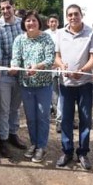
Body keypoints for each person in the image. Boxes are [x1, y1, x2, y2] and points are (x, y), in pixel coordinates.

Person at [53, 4, 93, 170]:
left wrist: (83, 70)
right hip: (65, 84)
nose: (73, 17)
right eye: (70, 15)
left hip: (85, 83)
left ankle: (83, 152)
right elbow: (57, 57)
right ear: (67, 17)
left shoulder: (91, 33)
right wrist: (62, 66)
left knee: (85, 119)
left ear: (81, 15)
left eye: (76, 14)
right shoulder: (60, 33)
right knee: (66, 119)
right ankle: (67, 151)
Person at [10, 10, 55, 164]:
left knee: (43, 117)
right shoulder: (19, 40)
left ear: (38, 22)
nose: (31, 23)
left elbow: (50, 59)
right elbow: (15, 58)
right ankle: (34, 143)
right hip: (26, 85)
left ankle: (42, 146)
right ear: (24, 23)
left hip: (44, 85)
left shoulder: (46, 38)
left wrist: (38, 66)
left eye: (33, 20)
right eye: (28, 20)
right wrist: (14, 66)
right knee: (30, 117)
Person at [0, 0, 27, 157]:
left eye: (8, 7)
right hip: (3, 75)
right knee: (3, 109)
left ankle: (13, 134)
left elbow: (27, 46)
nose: (5, 11)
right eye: (2, 8)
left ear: (14, 7)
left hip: (20, 74)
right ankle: (3, 141)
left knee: (15, 108)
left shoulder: (22, 23)